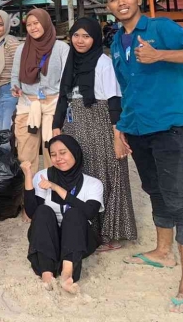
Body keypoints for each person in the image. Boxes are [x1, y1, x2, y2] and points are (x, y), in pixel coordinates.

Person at [106, 0, 183, 314]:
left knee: (179, 199)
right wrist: (121, 128)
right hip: (137, 129)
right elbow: (127, 88)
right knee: (155, 191)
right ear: (108, 5)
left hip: (170, 128)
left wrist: (161, 54)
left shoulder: (160, 28)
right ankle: (163, 252)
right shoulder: (118, 42)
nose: (121, 3)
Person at [53, 17, 136, 252]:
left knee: (106, 175)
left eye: (86, 36)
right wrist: (57, 126)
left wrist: (117, 137)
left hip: (99, 125)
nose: (80, 41)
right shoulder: (71, 62)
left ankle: (110, 233)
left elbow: (113, 101)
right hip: (75, 127)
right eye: (76, 35)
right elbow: (63, 96)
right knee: (82, 174)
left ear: (95, 39)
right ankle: (86, 228)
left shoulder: (103, 62)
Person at [22, 135, 103, 294]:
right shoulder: (43, 176)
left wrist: (56, 187)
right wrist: (28, 177)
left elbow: (89, 212)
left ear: (75, 153)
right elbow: (33, 213)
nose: (58, 158)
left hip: (78, 238)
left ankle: (67, 274)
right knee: (43, 211)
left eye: (63, 152)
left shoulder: (93, 183)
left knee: (74, 214)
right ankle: (47, 273)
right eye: (53, 154)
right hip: (49, 239)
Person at [11, 8, 70, 173]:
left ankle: (54, 192)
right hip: (28, 105)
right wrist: (15, 88)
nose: (32, 27)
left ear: (45, 23)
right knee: (25, 154)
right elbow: (15, 76)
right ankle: (30, 193)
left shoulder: (61, 48)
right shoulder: (22, 49)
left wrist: (57, 96)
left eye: (36, 23)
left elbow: (67, 77)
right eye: (29, 24)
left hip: (53, 105)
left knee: (54, 152)